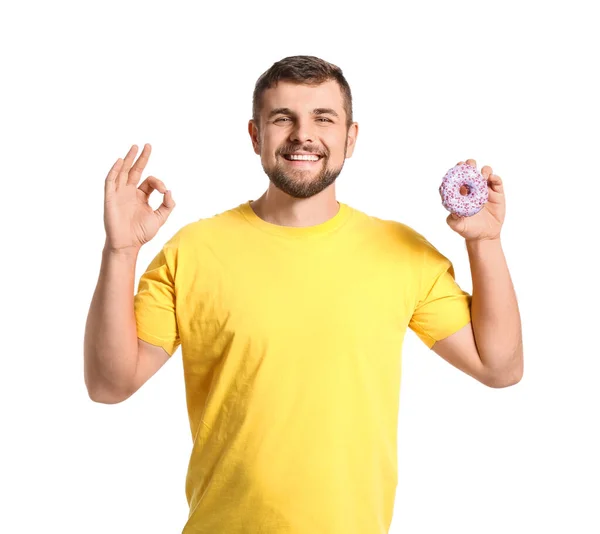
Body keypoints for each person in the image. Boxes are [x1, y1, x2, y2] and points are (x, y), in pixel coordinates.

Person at [84, 55, 523, 534]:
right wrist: (120, 251)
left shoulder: (402, 253)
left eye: (323, 118)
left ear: (350, 138)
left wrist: (484, 242)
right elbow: (109, 385)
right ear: (255, 136)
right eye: (282, 118)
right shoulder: (194, 251)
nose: (302, 135)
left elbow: (499, 367)